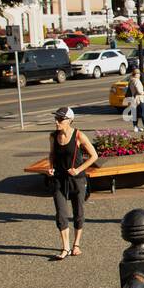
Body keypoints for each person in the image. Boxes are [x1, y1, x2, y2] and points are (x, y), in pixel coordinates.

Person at [46, 107, 97, 260]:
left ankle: (76, 244)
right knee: (61, 214)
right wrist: (50, 168)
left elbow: (94, 156)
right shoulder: (53, 136)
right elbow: (51, 154)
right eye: (56, 119)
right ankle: (65, 247)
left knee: (78, 212)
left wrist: (78, 169)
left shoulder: (79, 135)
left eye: (60, 119)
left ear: (69, 121)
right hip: (59, 179)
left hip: (77, 179)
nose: (57, 122)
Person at [126, 64, 144, 144]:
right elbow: (139, 91)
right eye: (138, 73)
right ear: (136, 74)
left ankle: (135, 127)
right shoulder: (136, 81)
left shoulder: (131, 80)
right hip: (139, 99)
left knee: (134, 113)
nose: (139, 75)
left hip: (133, 98)